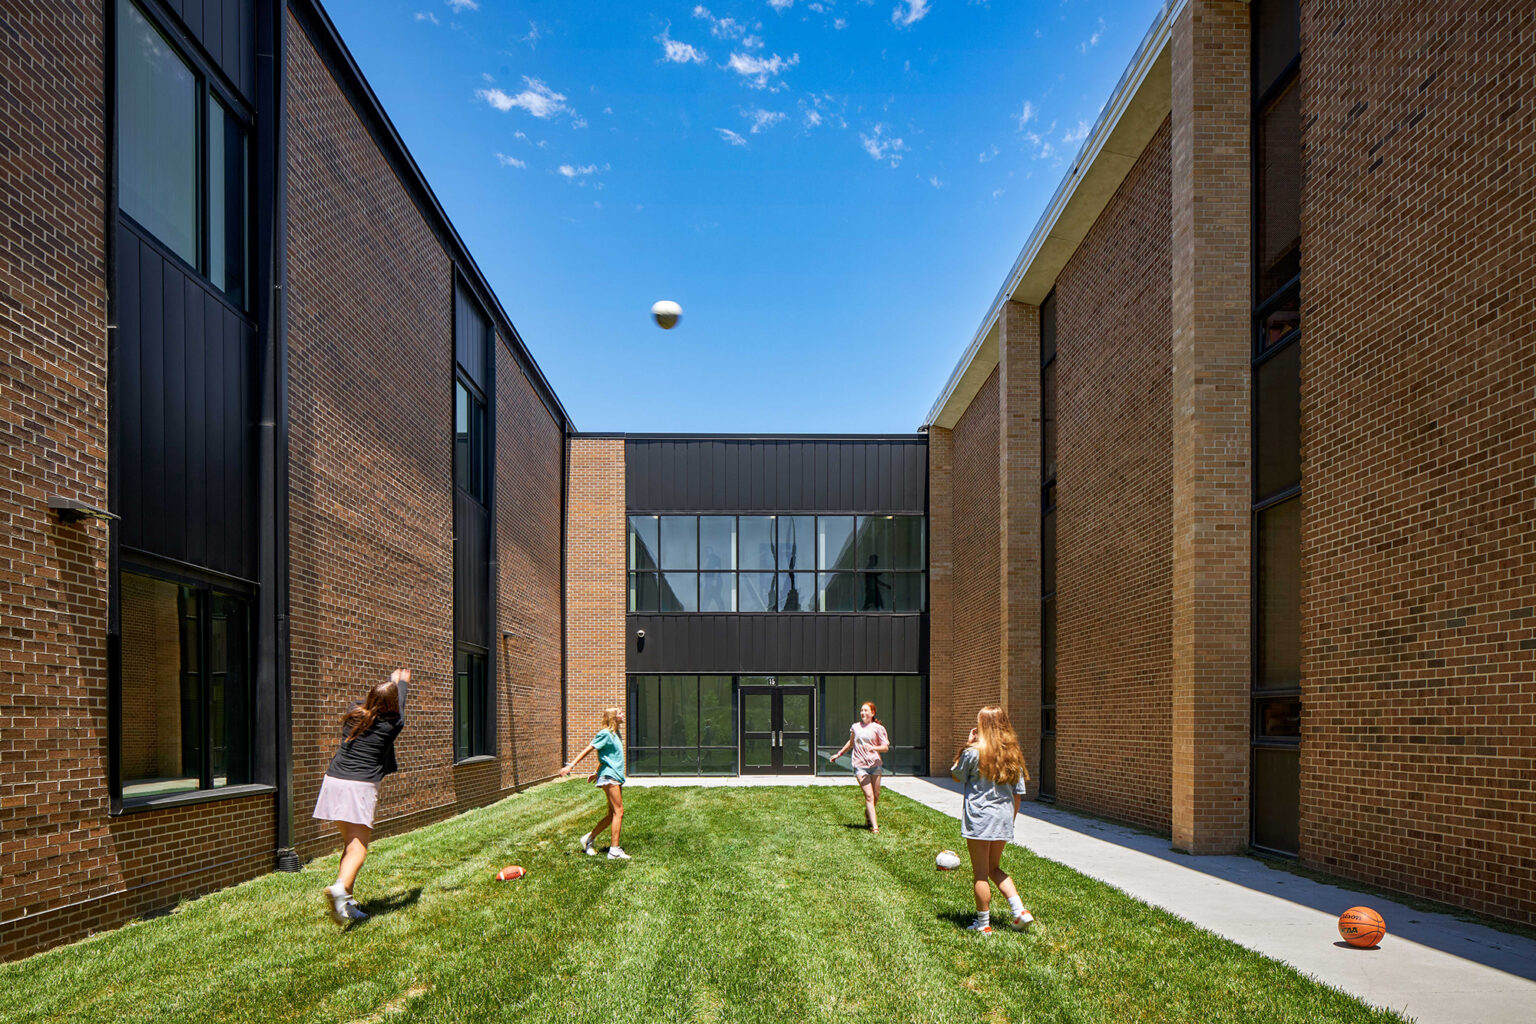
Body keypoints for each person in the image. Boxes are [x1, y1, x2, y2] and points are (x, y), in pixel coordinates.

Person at [312, 668, 409, 926]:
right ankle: (339, 890)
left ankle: (348, 903)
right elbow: (400, 703)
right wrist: (401, 682)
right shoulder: (393, 724)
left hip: (333, 781)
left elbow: (384, 701)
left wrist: (391, 682)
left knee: (350, 844)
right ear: (391, 705)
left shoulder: (354, 714)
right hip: (359, 787)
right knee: (359, 848)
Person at [950, 705, 1034, 935]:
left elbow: (956, 775)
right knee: (994, 868)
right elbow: (1018, 795)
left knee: (980, 872)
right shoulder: (1013, 754)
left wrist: (968, 744)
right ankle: (1019, 911)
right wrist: (1011, 820)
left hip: (979, 819)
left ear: (982, 727)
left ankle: (983, 923)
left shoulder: (973, 752)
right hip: (1004, 819)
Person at [560, 707, 630, 860]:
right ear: (613, 717)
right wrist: (571, 765)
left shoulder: (615, 734)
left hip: (612, 775)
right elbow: (589, 748)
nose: (622, 714)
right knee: (619, 812)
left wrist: (596, 771)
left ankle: (588, 839)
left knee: (612, 815)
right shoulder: (605, 733)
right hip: (610, 776)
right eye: (619, 713)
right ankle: (614, 851)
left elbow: (606, 756)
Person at [826, 701, 890, 833]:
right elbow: (850, 743)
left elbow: (885, 747)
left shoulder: (878, 728)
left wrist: (873, 747)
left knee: (876, 795)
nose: (863, 713)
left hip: (875, 764)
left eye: (866, 710)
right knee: (869, 796)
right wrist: (838, 754)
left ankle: (868, 814)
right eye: (861, 710)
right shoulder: (855, 727)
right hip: (860, 765)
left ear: (872, 713)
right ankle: (875, 827)